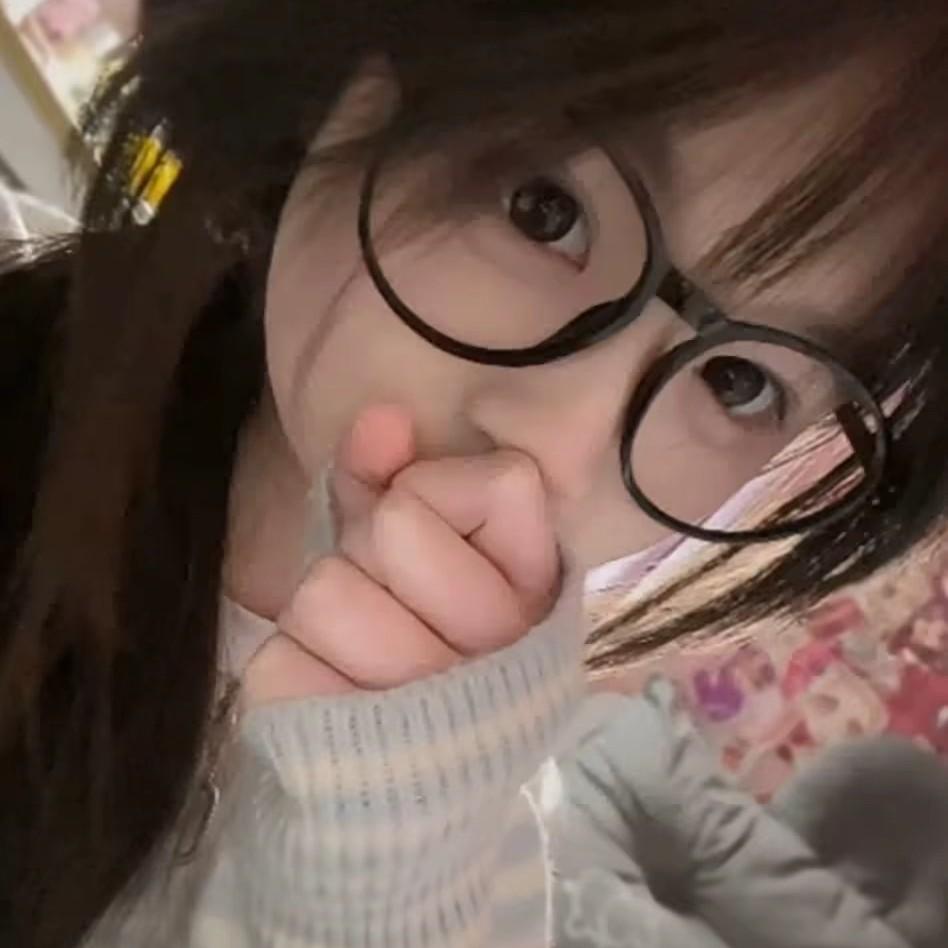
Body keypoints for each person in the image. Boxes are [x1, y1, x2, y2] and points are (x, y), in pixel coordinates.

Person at [0, 2, 946, 946]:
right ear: (348, 70)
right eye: (547, 211)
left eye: (739, 383)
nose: (560, 448)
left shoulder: (486, 859)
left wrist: (382, 889)